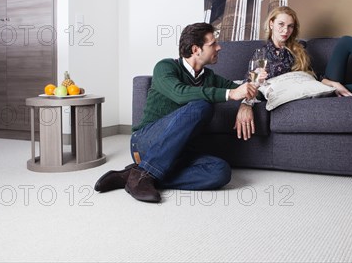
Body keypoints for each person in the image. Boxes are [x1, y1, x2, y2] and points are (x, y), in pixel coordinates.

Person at [94, 23, 259, 203]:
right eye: (213, 44)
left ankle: (136, 174)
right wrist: (230, 94)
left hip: (180, 152)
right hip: (145, 141)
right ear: (196, 49)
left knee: (221, 172)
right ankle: (144, 173)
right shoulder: (165, 67)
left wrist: (246, 103)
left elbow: (244, 90)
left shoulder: (210, 77)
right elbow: (179, 94)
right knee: (202, 106)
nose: (219, 47)